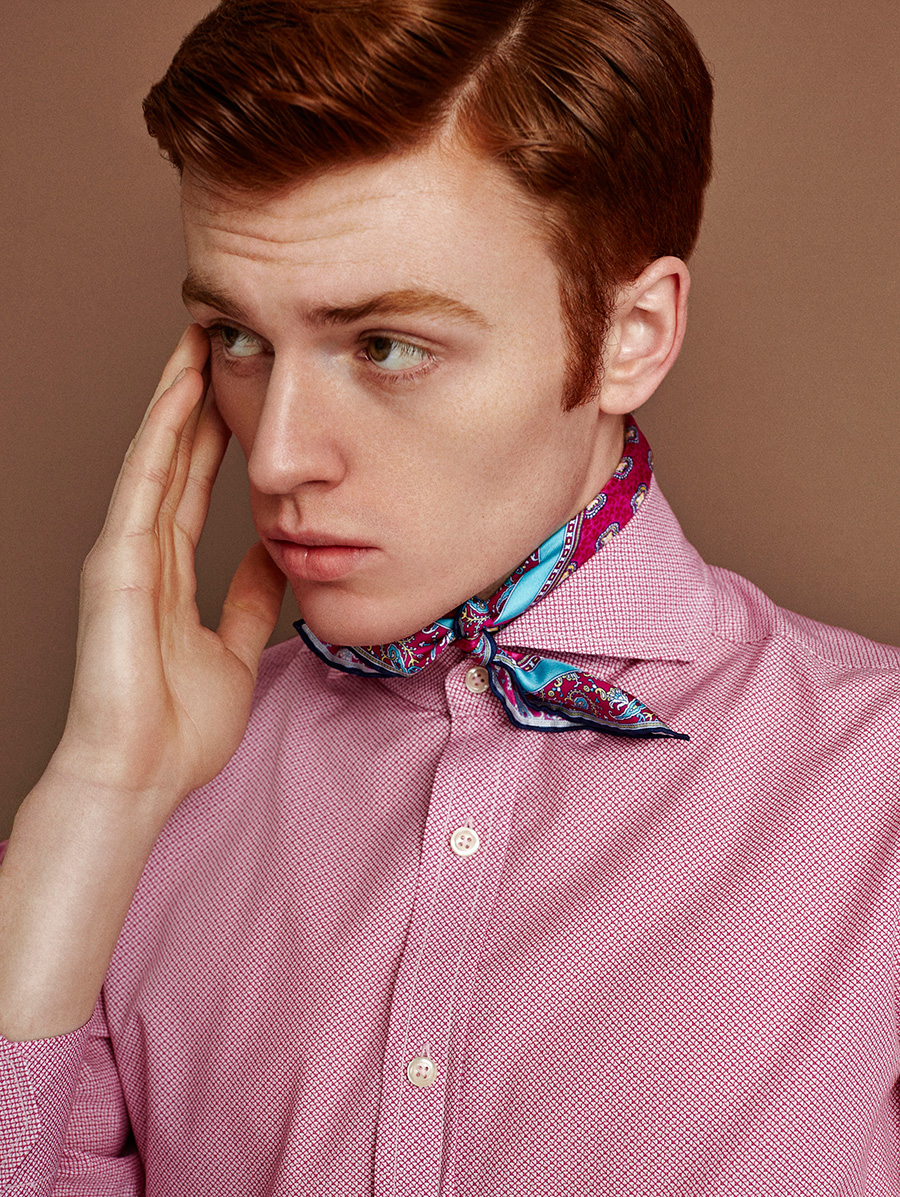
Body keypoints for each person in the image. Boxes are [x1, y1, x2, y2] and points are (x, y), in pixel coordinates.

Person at [0, 0, 898, 1193]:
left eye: (384, 346)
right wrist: (97, 804)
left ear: (631, 334)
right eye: (236, 336)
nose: (278, 456)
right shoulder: (138, 802)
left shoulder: (878, 786)